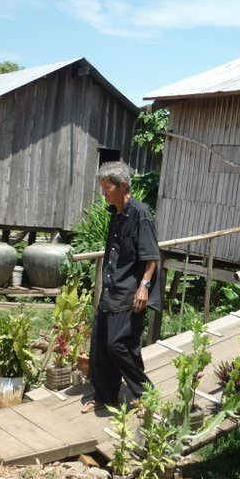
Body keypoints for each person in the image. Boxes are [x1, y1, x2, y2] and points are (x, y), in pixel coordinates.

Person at [81, 161, 160, 413]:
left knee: (120, 346)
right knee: (101, 346)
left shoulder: (140, 213)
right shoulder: (116, 214)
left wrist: (144, 287)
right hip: (110, 290)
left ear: (123, 185)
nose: (103, 193)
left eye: (107, 188)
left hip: (130, 292)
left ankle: (147, 398)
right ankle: (105, 396)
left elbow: (152, 257)